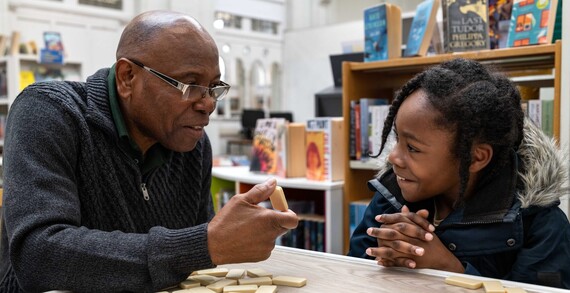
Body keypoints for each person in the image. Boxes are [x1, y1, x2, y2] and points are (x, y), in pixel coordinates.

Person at [0, 10, 298, 292]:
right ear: (127, 77)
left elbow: (192, 263)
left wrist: (216, 242)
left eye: (214, 87)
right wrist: (204, 245)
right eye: (190, 84)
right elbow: (38, 253)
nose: (208, 103)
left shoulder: (193, 145)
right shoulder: (49, 112)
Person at [348, 58, 570, 289]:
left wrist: (446, 268)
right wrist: (379, 259)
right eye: (397, 139)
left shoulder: (543, 226)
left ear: (476, 158)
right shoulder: (391, 196)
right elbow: (348, 276)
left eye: (412, 148)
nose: (393, 157)